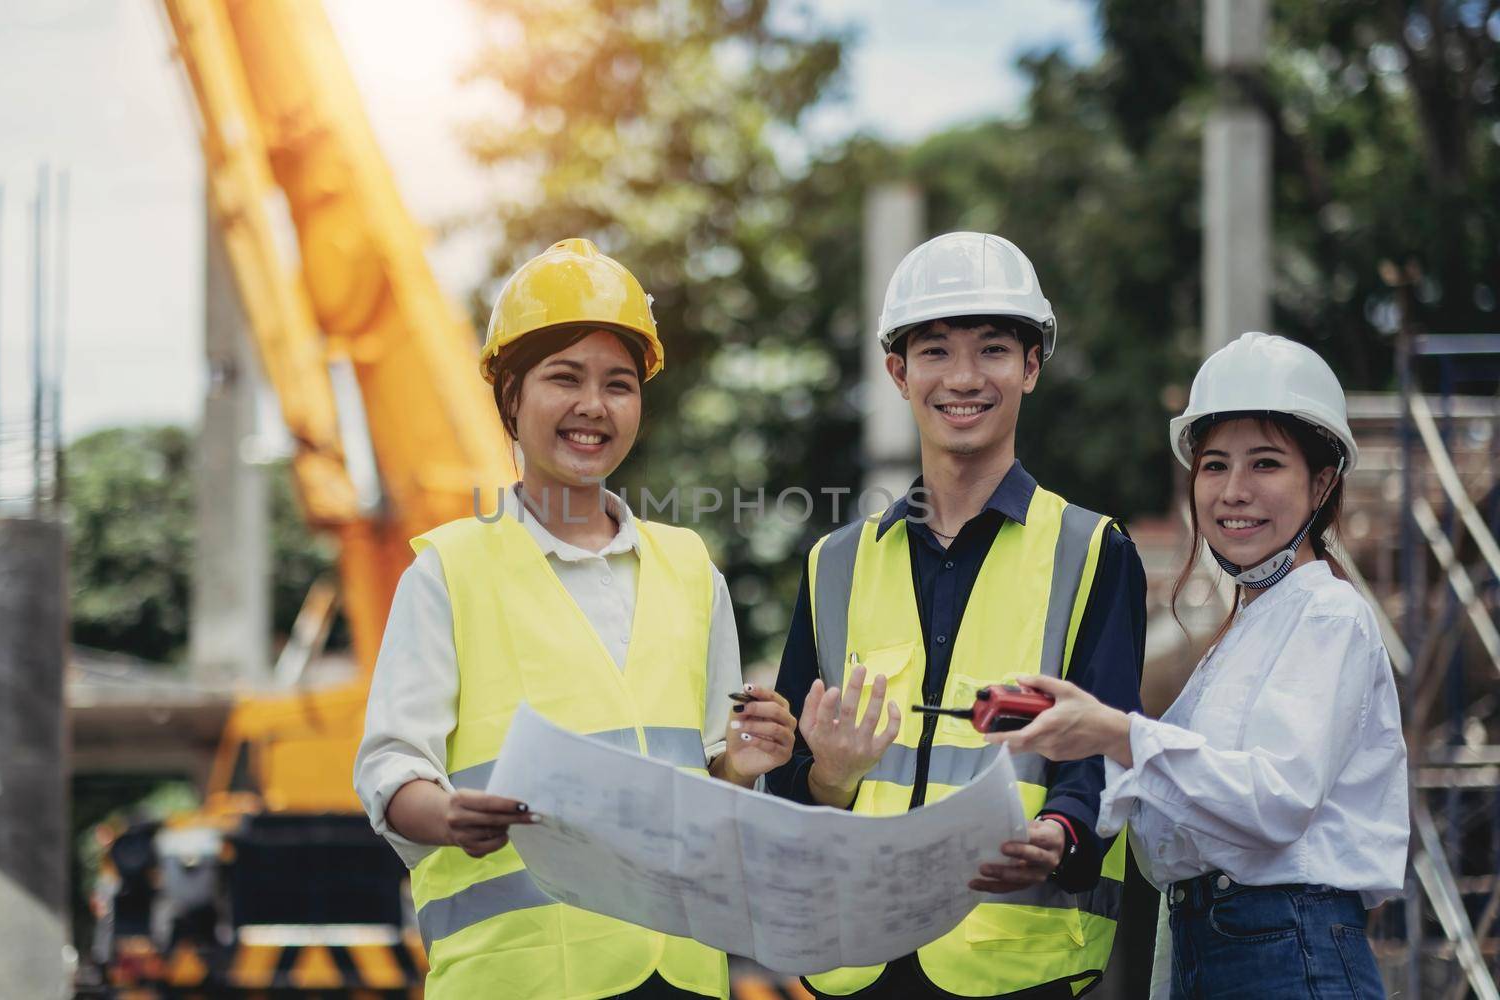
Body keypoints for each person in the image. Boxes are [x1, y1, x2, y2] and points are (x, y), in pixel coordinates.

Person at [354, 238, 797, 999]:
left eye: (619, 384)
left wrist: (743, 767)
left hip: (681, 975)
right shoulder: (448, 574)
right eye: (565, 377)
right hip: (515, 980)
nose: (594, 405)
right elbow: (390, 771)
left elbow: (716, 789)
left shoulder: (691, 570)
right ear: (511, 399)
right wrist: (451, 813)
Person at [766, 231, 1147, 998]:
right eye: (935, 351)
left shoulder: (1092, 552)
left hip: (1015, 968)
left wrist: (1062, 832)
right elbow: (788, 785)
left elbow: (1107, 756)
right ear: (898, 374)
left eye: (994, 350)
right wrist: (829, 780)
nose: (964, 377)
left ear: (1032, 366)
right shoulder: (832, 565)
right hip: (856, 965)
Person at [988, 332, 1409, 1000]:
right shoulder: (1244, 634)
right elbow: (1173, 831)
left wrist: (1113, 733)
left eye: (1266, 464)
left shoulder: (1328, 614)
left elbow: (1275, 801)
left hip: (1288, 950)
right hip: (1211, 944)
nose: (1233, 492)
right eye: (1214, 466)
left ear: (1322, 481)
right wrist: (1062, 827)